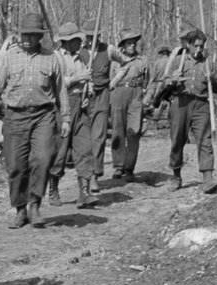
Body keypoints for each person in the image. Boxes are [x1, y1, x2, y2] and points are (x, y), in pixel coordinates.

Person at [0, 12, 69, 228]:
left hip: (43, 116)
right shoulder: (8, 57)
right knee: (16, 165)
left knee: (43, 160)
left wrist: (66, 119)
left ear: (40, 37)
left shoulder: (52, 58)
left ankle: (35, 205)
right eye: (24, 34)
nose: (27, 39)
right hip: (14, 117)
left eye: (33, 35)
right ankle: (20, 209)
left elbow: (61, 90)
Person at [160, 25, 217, 193]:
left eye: (201, 46)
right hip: (180, 102)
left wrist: (213, 80)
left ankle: (208, 178)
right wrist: (173, 80)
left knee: (205, 139)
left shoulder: (208, 63)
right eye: (195, 45)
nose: (198, 49)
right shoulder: (177, 60)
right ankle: (176, 175)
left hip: (201, 103)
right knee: (177, 140)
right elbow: (164, 82)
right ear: (187, 45)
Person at [48, 21, 96, 206]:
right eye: (76, 40)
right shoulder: (55, 58)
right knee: (59, 151)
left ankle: (85, 191)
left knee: (84, 149)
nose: (80, 43)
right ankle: (53, 189)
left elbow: (88, 78)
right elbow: (55, 85)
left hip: (81, 107)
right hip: (62, 106)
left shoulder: (82, 58)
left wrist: (88, 91)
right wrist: (77, 79)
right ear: (66, 42)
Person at [108, 28, 148, 179]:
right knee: (118, 131)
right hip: (118, 95)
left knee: (134, 132)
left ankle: (129, 168)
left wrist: (147, 99)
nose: (132, 46)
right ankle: (118, 166)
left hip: (136, 96)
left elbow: (149, 81)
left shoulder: (142, 60)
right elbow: (109, 81)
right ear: (122, 46)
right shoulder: (114, 61)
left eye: (134, 43)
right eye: (129, 43)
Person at [78, 21, 112, 190]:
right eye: (89, 37)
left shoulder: (109, 49)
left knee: (98, 137)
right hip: (84, 97)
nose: (92, 40)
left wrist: (115, 81)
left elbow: (127, 63)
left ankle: (94, 175)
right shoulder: (79, 52)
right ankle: (83, 176)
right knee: (84, 139)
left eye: (95, 37)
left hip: (102, 96)